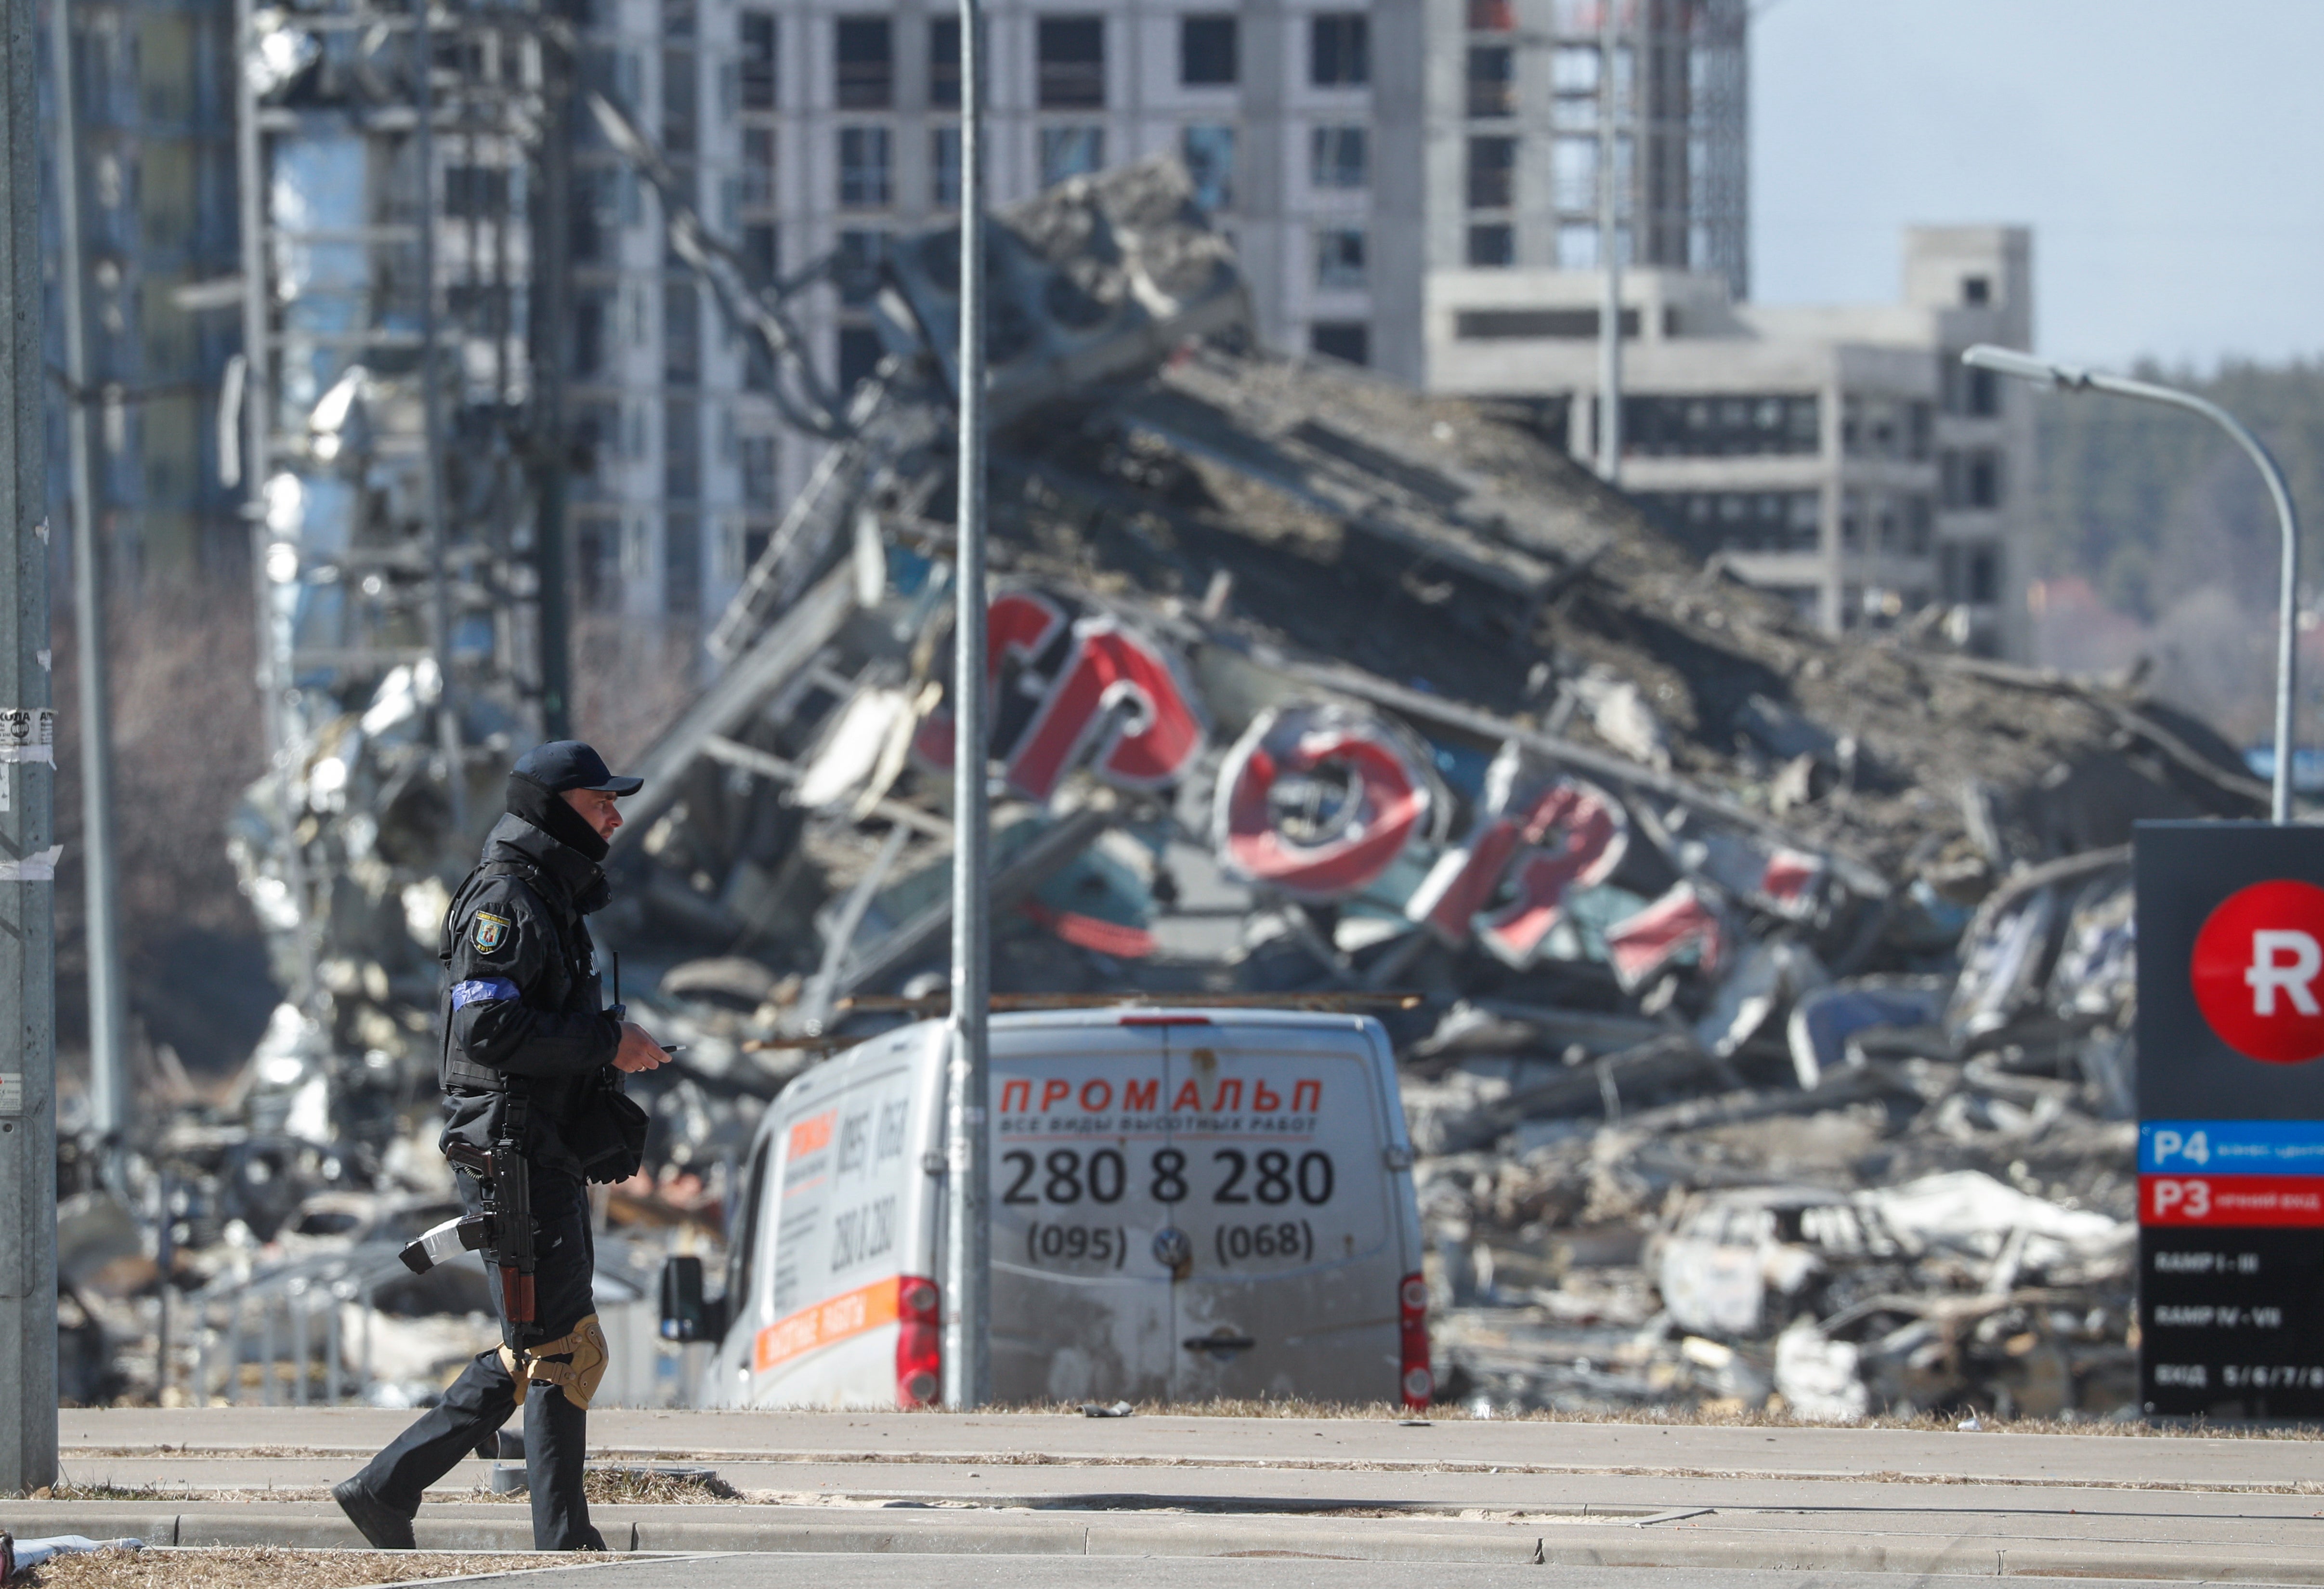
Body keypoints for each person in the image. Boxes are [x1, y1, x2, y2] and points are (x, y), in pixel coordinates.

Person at [332, 741, 670, 1552]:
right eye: (599, 805)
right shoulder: (508, 899)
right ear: (554, 812)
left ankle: (390, 1489)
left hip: (535, 1147)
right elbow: (485, 1027)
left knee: (552, 1347)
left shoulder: (547, 895)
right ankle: (555, 1539)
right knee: (560, 1350)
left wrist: (606, 1047)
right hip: (509, 1152)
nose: (615, 818)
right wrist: (606, 1040)